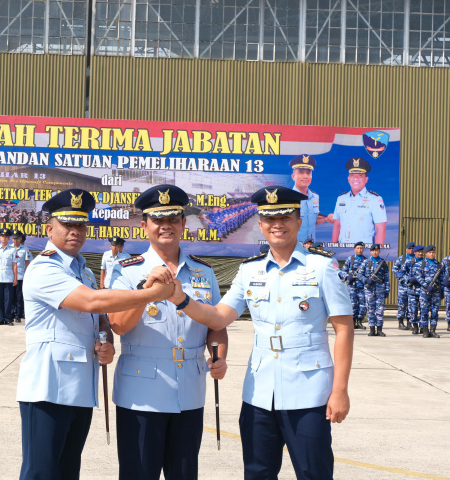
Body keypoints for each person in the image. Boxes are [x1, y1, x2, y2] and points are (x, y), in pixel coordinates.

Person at [157, 185, 353, 480]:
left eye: (285, 217)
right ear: (260, 224)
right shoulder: (250, 270)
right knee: (257, 473)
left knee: (314, 473)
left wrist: (339, 391)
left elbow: (344, 329)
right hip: (259, 393)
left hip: (309, 392)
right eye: (269, 219)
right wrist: (181, 299)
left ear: (298, 222)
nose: (277, 225)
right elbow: (219, 316)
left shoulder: (322, 267)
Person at [16, 188, 173, 480]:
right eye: (67, 225)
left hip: (79, 387)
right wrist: (150, 294)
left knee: (67, 471)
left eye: (80, 225)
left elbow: (99, 319)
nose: (75, 231)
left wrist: (107, 342)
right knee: (41, 472)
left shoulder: (85, 272)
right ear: (49, 229)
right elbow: (91, 302)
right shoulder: (44, 269)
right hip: (47, 388)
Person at [108, 184, 227, 480]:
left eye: (173, 219)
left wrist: (219, 355)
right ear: (144, 225)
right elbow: (119, 324)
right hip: (141, 393)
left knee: (184, 474)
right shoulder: (127, 270)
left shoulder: (204, 272)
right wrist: (146, 290)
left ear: (184, 223)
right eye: (158, 220)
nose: (166, 227)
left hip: (190, 390)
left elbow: (217, 325)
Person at [331, 157, 386, 245]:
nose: (355, 178)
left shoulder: (375, 199)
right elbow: (337, 225)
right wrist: (333, 247)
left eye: (360, 175)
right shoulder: (341, 198)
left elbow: (381, 230)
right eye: (352, 175)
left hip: (365, 250)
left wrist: (376, 254)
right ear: (348, 178)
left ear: (366, 179)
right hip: (342, 248)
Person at [289, 154, 331, 243]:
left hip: (311, 244)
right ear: (293, 176)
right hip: (293, 245)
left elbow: (313, 220)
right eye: (301, 172)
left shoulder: (315, 197)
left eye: (308, 173)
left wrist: (326, 219)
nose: (305, 176)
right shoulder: (288, 197)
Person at [359, 243, 390, 336]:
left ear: (379, 251)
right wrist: (366, 280)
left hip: (380, 289)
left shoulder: (383, 263)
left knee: (380, 310)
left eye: (376, 250)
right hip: (369, 289)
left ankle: (379, 329)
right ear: (370, 252)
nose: (375, 252)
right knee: (370, 309)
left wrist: (387, 290)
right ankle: (372, 329)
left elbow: (386, 278)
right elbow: (359, 274)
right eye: (373, 251)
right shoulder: (366, 262)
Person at [0, 227, 18, 326]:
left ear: (9, 238)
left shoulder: (12, 250)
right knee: (0, 299)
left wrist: (15, 278)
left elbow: (15, 264)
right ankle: (1, 318)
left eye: (6, 236)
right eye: (2, 236)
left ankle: (8, 318)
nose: (4, 238)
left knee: (8, 299)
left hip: (9, 277)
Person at [339, 242, 367, 329]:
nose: (359, 250)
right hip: (352, 285)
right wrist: (347, 277)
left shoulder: (366, 260)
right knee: (353, 304)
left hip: (362, 286)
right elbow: (342, 271)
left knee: (363, 305)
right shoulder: (350, 259)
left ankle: (359, 321)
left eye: (361, 248)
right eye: (358, 248)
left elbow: (369, 273)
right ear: (355, 249)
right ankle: (352, 321)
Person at [417, 245, 442, 338]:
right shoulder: (421, 264)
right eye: (430, 252)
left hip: (435, 292)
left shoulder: (438, 265)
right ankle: (425, 330)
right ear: (426, 253)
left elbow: (441, 278)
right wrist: (426, 286)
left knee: (435, 311)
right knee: (424, 311)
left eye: (433, 252)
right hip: (425, 291)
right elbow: (418, 277)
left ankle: (433, 330)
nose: (432, 254)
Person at [392, 242, 415, 330]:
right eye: (409, 248)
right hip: (403, 286)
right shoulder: (402, 259)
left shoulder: (416, 259)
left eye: (413, 248)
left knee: (411, 304)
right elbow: (394, 269)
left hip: (412, 286)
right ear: (406, 249)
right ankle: (401, 323)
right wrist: (402, 278)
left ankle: (410, 323)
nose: (411, 250)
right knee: (402, 304)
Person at [12, 230, 31, 322]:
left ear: (20, 239)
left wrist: (27, 277)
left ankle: (18, 314)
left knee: (19, 297)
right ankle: (11, 313)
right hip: (10, 276)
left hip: (20, 276)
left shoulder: (25, 249)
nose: (15, 240)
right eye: (14, 238)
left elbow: (27, 264)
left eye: (17, 238)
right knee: (11, 296)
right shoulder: (9, 248)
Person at [406, 245, 425, 334]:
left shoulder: (426, 262)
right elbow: (400, 273)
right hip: (412, 290)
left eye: (421, 251)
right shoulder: (409, 262)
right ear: (415, 252)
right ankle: (415, 326)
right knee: (413, 309)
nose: (420, 253)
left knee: (423, 309)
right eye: (418, 252)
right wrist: (408, 279)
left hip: (423, 289)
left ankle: (422, 326)